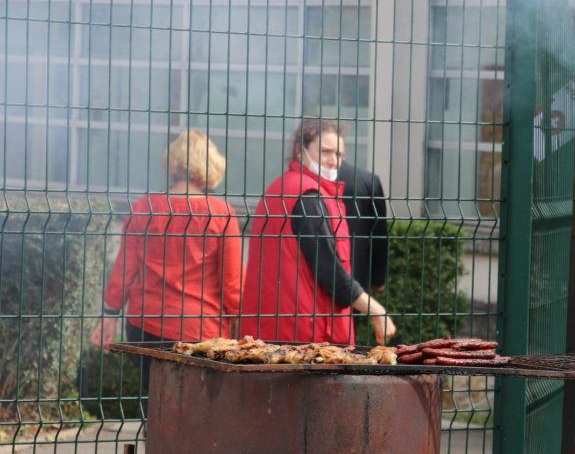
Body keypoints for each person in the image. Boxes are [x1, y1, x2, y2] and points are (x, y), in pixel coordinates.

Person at [92, 130, 243, 391]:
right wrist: (240, 320)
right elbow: (231, 284)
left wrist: (110, 315)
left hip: (146, 324)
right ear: (211, 165)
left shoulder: (145, 207)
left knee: (156, 402)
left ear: (172, 163)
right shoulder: (222, 214)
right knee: (198, 408)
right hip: (202, 330)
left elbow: (124, 271)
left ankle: (154, 431)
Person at [239, 119, 395, 345]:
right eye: (325, 152)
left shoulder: (283, 187)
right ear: (299, 151)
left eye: (339, 154)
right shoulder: (308, 196)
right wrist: (375, 309)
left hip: (277, 324)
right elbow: (329, 268)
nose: (334, 162)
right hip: (306, 332)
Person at [336, 154, 389, 294]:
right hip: (356, 270)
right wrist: (378, 278)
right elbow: (379, 233)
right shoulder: (368, 180)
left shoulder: (305, 181)